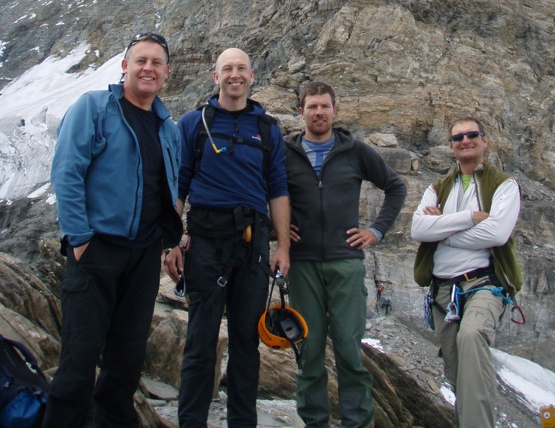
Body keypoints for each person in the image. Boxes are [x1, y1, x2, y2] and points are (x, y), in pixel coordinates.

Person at [43, 32, 183, 428]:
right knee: (77, 364)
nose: (148, 68)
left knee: (125, 365)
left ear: (166, 73)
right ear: (125, 66)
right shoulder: (94, 107)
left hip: (142, 258)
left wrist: (171, 242)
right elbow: (67, 172)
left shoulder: (166, 127)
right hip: (96, 252)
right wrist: (80, 239)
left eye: (156, 63)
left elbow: (167, 188)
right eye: (140, 60)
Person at [165, 48, 290, 428]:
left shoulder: (268, 129)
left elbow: (277, 189)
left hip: (253, 246)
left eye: (240, 69)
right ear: (215, 76)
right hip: (205, 241)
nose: (234, 75)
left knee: (245, 342)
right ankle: (191, 422)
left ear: (252, 75)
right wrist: (172, 241)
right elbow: (179, 184)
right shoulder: (192, 123)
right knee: (200, 340)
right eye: (226, 69)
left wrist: (282, 246)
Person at [284, 81, 406, 428]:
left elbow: (395, 187)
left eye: (324, 106)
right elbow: (262, 190)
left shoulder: (355, 151)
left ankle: (358, 423)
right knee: (309, 352)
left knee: (350, 352)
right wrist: (274, 227)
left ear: (335, 110)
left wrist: (376, 230)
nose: (318, 112)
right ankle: (314, 422)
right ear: (301, 112)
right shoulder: (283, 151)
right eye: (312, 107)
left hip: (346, 262)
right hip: (302, 263)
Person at [411, 116, 523, 428]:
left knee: (473, 337)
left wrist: (442, 229)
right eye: (458, 137)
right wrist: (472, 217)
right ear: (450, 146)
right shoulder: (437, 188)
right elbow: (418, 228)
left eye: (472, 135)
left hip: (483, 285)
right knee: (457, 370)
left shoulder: (504, 186)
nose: (465, 141)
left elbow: (497, 234)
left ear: (485, 140)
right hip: (442, 293)